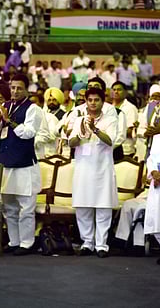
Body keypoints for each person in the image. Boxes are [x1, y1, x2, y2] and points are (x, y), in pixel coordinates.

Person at [0, 74, 43, 255]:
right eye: (12, 88)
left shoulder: (33, 109)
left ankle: (27, 243)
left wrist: (9, 120)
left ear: (27, 89)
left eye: (19, 88)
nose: (15, 91)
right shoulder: (6, 105)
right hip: (7, 162)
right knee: (9, 207)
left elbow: (28, 133)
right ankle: (14, 241)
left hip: (25, 164)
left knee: (26, 208)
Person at [69, 88, 118, 258]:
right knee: (83, 207)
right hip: (83, 168)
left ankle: (101, 245)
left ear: (102, 102)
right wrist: (82, 132)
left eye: (96, 100)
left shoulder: (110, 119)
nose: (93, 103)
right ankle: (87, 243)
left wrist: (95, 129)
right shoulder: (79, 119)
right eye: (90, 100)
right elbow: (71, 143)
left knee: (103, 207)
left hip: (102, 168)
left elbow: (110, 141)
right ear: (86, 101)